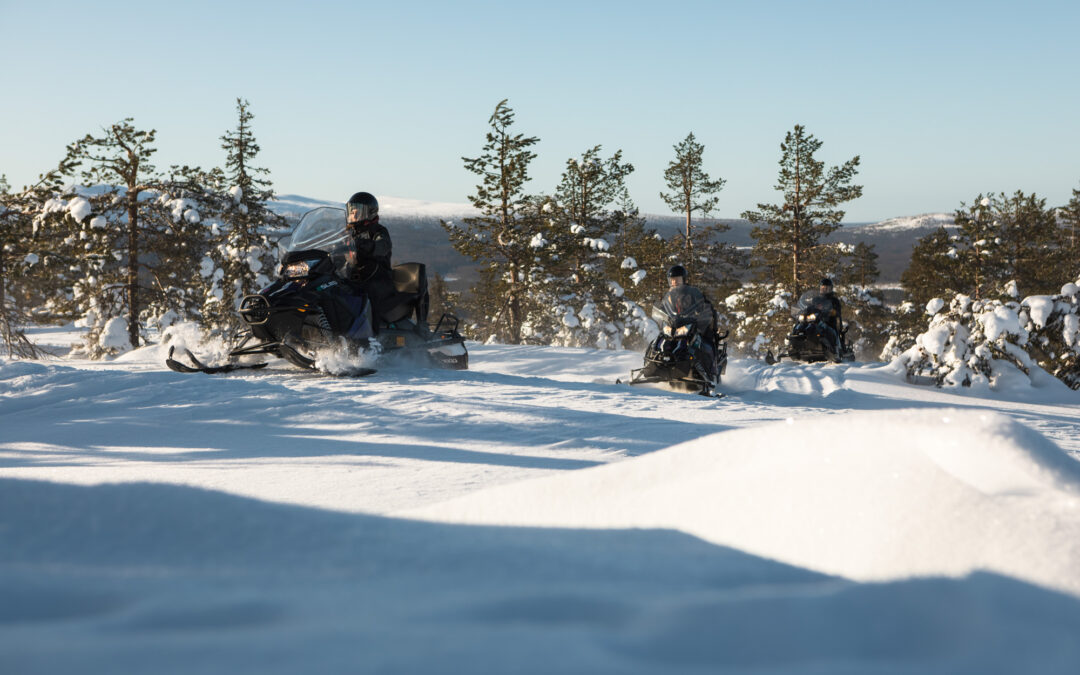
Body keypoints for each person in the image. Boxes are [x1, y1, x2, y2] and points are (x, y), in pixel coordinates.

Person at [344, 192, 395, 320]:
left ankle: (373, 335)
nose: (353, 214)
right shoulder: (348, 233)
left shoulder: (378, 231)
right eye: (351, 210)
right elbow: (333, 245)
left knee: (369, 293)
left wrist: (369, 246)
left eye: (357, 210)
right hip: (353, 275)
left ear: (369, 212)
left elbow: (383, 245)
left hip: (377, 277)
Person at [661, 264, 717, 347]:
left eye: (677, 279)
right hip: (675, 324)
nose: (675, 282)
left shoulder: (692, 292)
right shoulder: (669, 295)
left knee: (704, 340)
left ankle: (710, 355)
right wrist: (662, 315)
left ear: (684, 279)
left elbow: (702, 303)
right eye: (672, 280)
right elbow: (664, 307)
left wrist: (701, 313)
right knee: (661, 337)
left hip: (690, 323)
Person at [815, 277, 844, 357]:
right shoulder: (816, 299)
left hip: (829, 321)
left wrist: (831, 312)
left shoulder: (834, 300)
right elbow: (810, 306)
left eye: (826, 288)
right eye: (822, 288)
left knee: (831, 331)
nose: (824, 290)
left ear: (830, 289)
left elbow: (837, 311)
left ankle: (835, 348)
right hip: (816, 321)